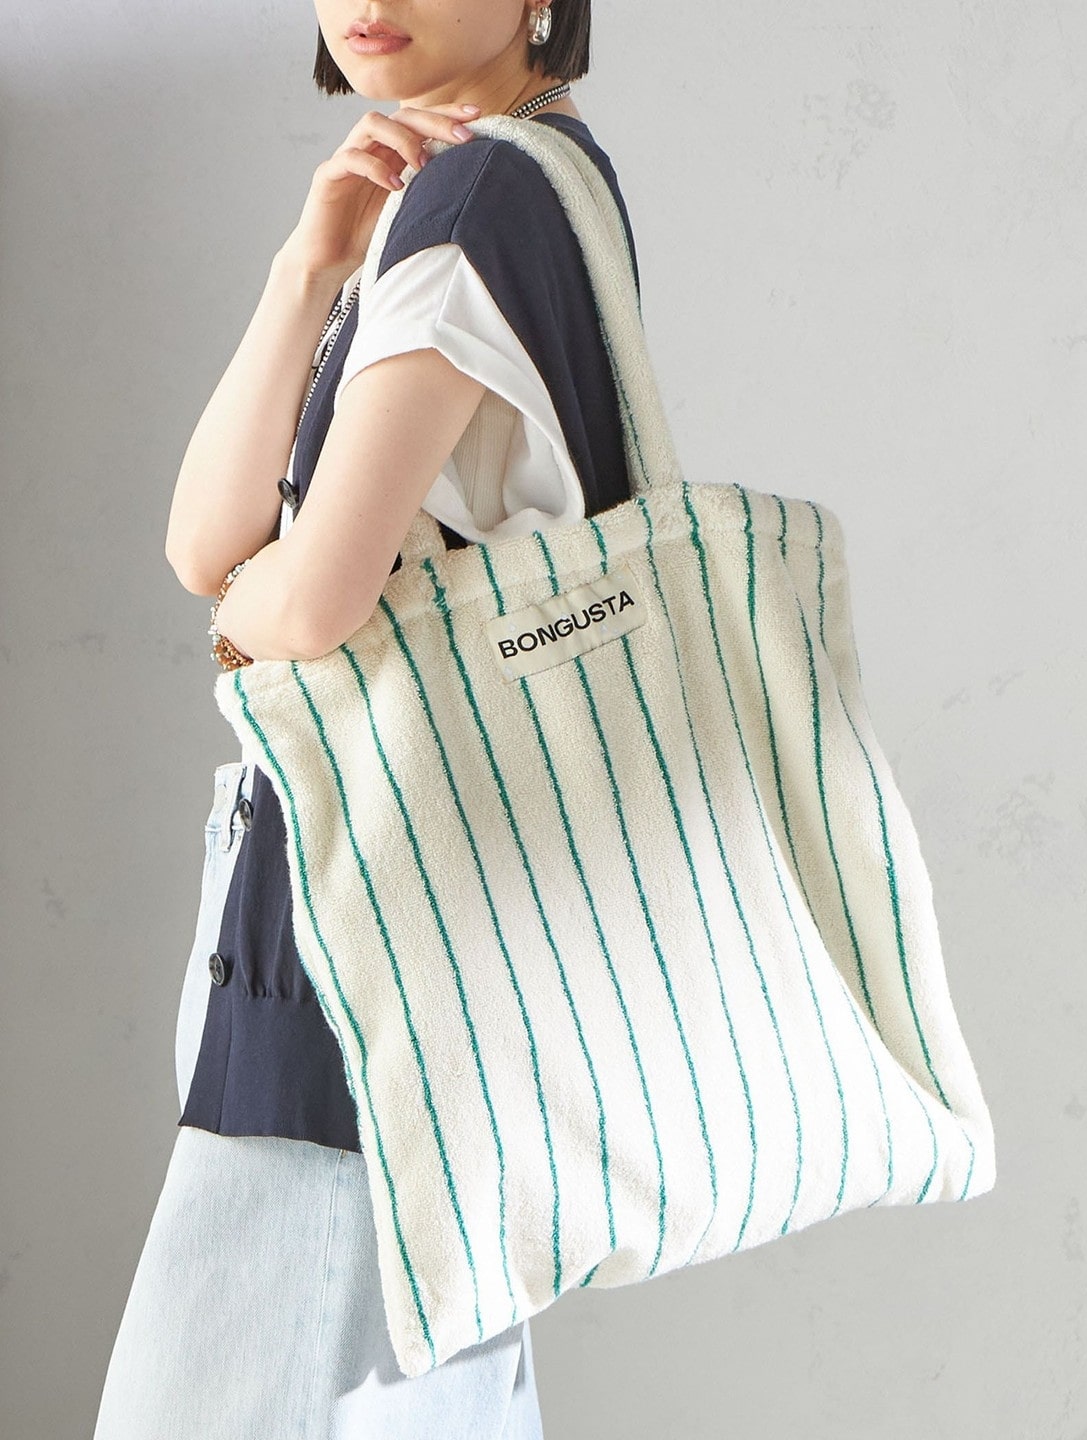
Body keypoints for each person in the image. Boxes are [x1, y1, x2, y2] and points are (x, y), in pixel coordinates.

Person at [93, 2, 639, 1433]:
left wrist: (251, 618)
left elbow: (308, 600)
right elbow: (205, 542)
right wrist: (308, 269)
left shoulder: (485, 199)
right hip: (441, 933)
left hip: (362, 936)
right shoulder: (494, 186)